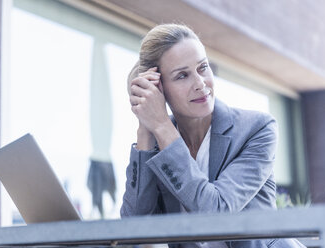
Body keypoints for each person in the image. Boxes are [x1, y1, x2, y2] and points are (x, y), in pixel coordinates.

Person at [120, 24, 305, 248]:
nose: (200, 84)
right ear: (159, 87)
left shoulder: (256, 129)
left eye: (203, 68)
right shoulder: (158, 143)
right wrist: (146, 129)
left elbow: (216, 213)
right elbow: (133, 231)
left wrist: (161, 124)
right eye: (182, 76)